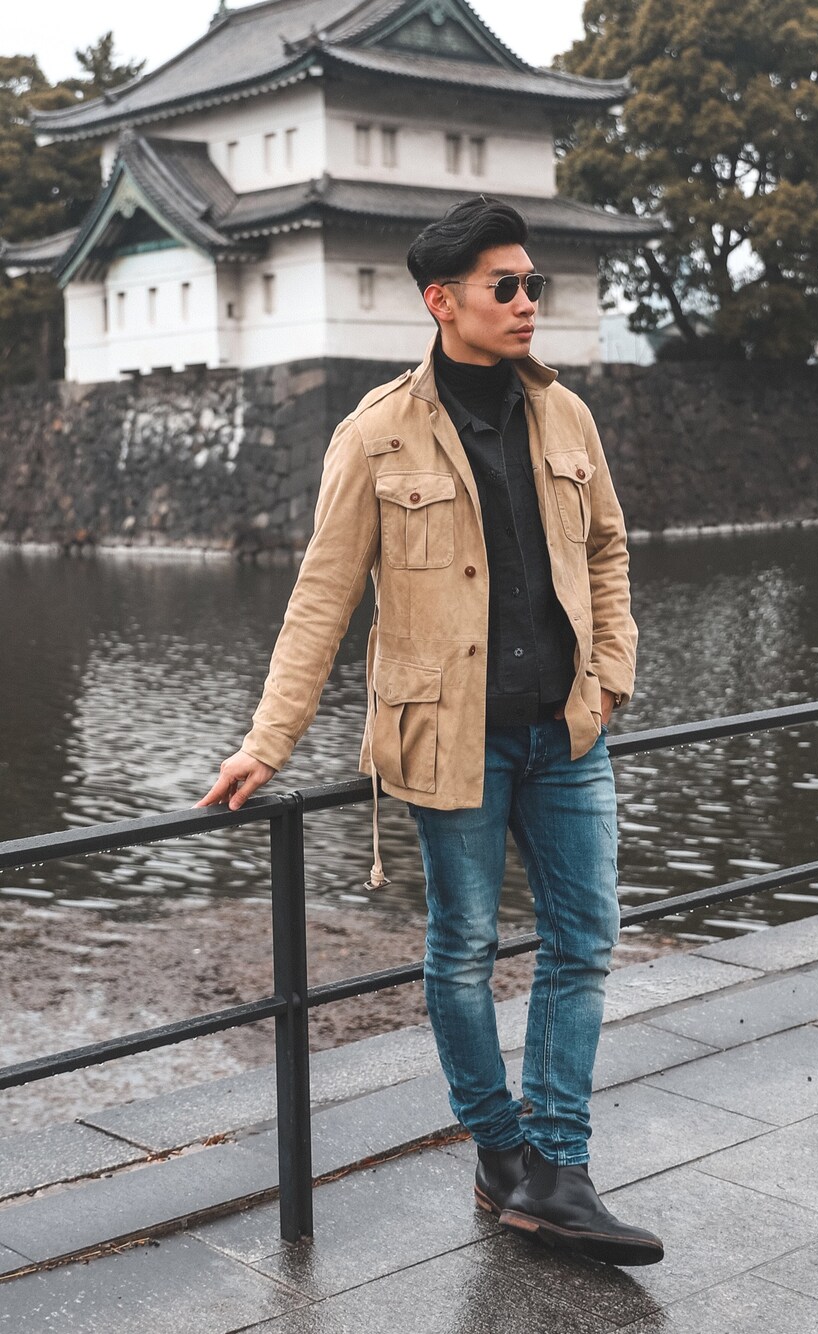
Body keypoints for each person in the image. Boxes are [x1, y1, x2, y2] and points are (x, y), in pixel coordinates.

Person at [198, 196, 663, 1267]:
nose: (527, 301)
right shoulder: (376, 432)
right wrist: (268, 742)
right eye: (507, 285)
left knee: (586, 939)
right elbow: (321, 597)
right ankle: (501, 1153)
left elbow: (607, 549)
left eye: (534, 283)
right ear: (441, 301)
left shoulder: (566, 415)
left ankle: (559, 1166)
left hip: (568, 729)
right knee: (461, 952)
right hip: (450, 738)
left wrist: (613, 673)